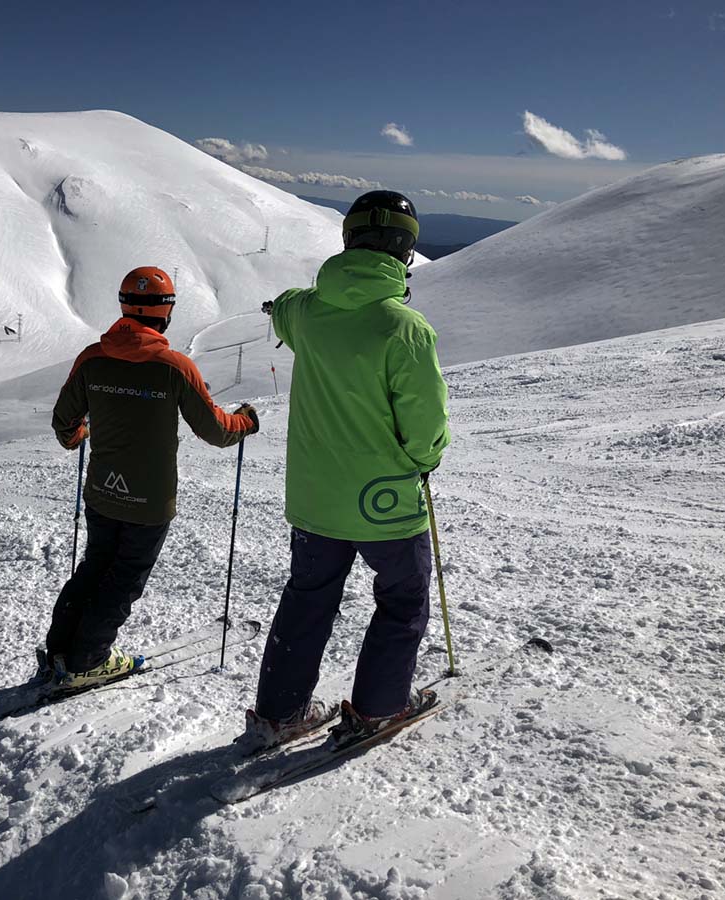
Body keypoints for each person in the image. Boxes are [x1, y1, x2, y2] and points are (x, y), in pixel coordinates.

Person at [244, 190, 451, 750]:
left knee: (308, 597)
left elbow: (286, 304)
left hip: (315, 499)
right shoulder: (404, 328)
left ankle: (278, 714)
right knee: (402, 597)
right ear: (406, 250)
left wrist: (281, 307)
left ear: (348, 239)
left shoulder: (309, 313)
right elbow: (426, 421)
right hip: (383, 499)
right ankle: (378, 708)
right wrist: (421, 461)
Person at [46, 266, 258, 690]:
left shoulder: (93, 357)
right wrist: (245, 423)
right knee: (123, 577)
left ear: (125, 306)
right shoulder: (174, 366)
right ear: (166, 314)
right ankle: (87, 661)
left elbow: (64, 423)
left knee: (95, 567)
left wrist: (79, 435)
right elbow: (216, 431)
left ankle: (60, 649)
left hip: (102, 490)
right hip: (150, 499)